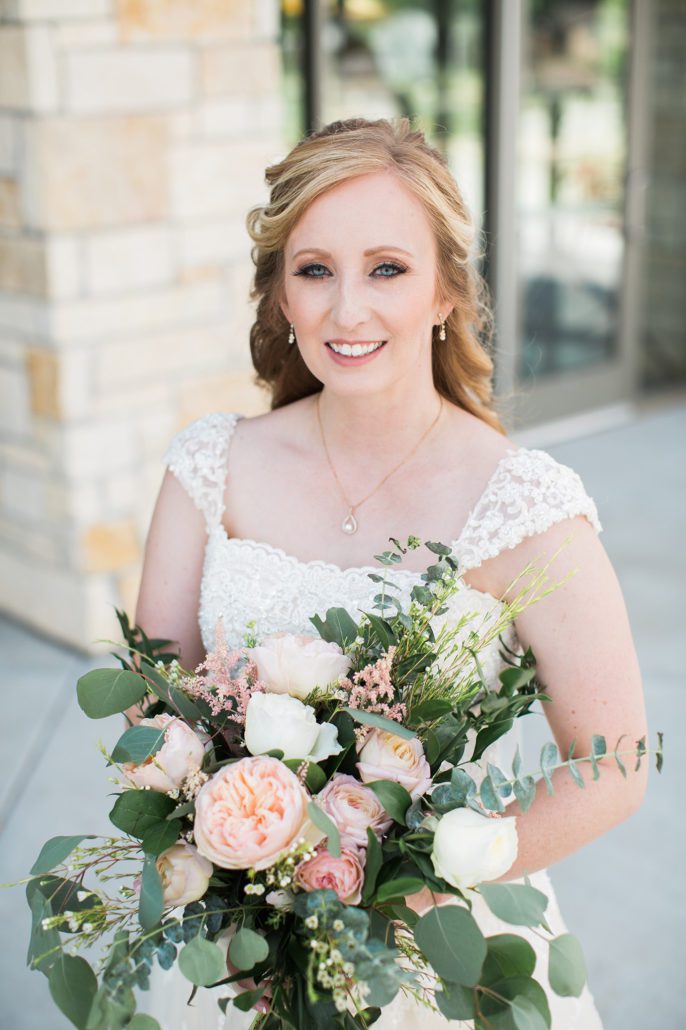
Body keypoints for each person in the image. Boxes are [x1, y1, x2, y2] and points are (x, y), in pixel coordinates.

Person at [135, 118, 647, 1029]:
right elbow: (152, 708)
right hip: (235, 954)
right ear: (281, 295)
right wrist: (236, 865)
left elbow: (615, 764)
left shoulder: (525, 503)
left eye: (387, 268)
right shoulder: (207, 467)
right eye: (315, 269)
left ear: (447, 288)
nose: (347, 310)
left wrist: (423, 874)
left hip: (444, 954)